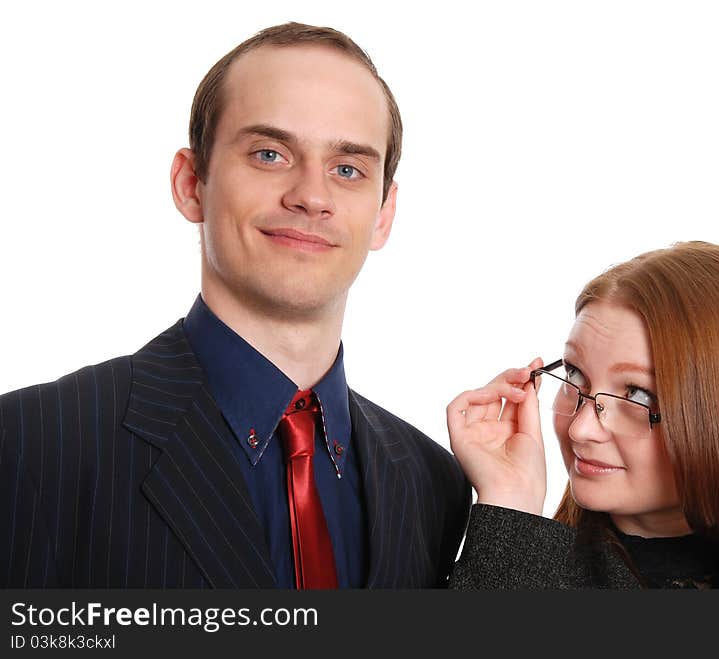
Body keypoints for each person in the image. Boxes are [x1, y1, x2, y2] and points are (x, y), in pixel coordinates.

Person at [0, 21, 470, 588]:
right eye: (270, 154)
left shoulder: (434, 482)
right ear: (191, 183)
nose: (311, 197)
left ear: (384, 213)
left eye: (347, 169)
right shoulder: (32, 444)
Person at [446, 241, 719, 589]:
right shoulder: (512, 566)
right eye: (574, 375)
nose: (580, 428)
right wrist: (511, 504)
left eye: (636, 394)